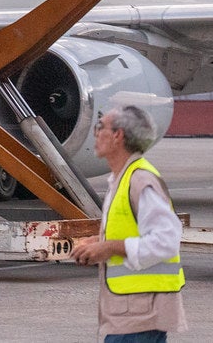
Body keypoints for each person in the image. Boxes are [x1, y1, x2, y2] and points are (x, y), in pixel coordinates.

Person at [72, 104, 187, 342]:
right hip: (130, 312)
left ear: (118, 135)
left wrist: (109, 247)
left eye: (100, 126)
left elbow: (166, 241)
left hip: (140, 316)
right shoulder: (122, 178)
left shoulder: (140, 180)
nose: (95, 133)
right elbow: (131, 231)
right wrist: (99, 242)